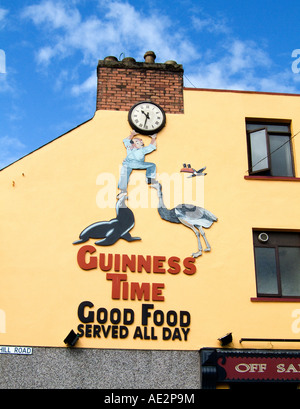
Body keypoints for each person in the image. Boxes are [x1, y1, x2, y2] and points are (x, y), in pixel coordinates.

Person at [117, 130, 158, 198]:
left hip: (137, 164)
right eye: (136, 141)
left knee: (152, 165)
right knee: (124, 175)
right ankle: (123, 191)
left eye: (139, 141)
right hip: (128, 163)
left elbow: (152, 146)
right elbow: (126, 140)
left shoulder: (142, 150)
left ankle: (150, 178)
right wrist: (132, 134)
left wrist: (153, 138)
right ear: (133, 144)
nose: (139, 142)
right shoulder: (130, 148)